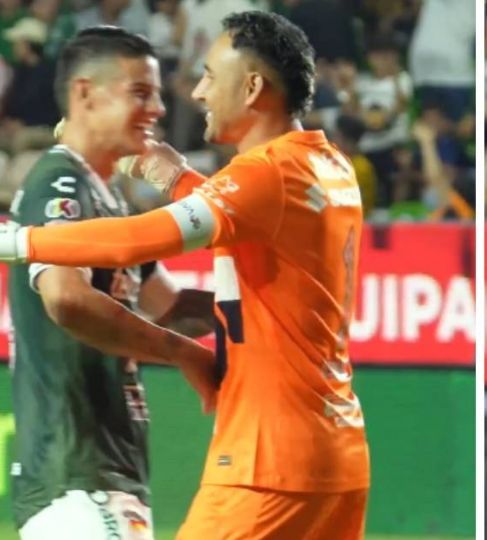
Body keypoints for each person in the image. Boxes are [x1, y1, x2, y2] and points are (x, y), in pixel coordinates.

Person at [0, 11, 369, 539]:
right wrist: (169, 173)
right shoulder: (328, 166)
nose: (197, 92)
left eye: (210, 76)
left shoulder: (265, 173)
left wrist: (18, 242)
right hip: (338, 456)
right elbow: (249, 215)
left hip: (267, 459)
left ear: (252, 87)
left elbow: (138, 239)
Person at [7, 26, 217, 539]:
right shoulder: (60, 182)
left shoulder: (108, 197)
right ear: (85, 94)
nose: (158, 109)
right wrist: (182, 354)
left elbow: (171, 308)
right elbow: (66, 297)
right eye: (140, 93)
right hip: (75, 477)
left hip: (105, 479)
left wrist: (268, 306)